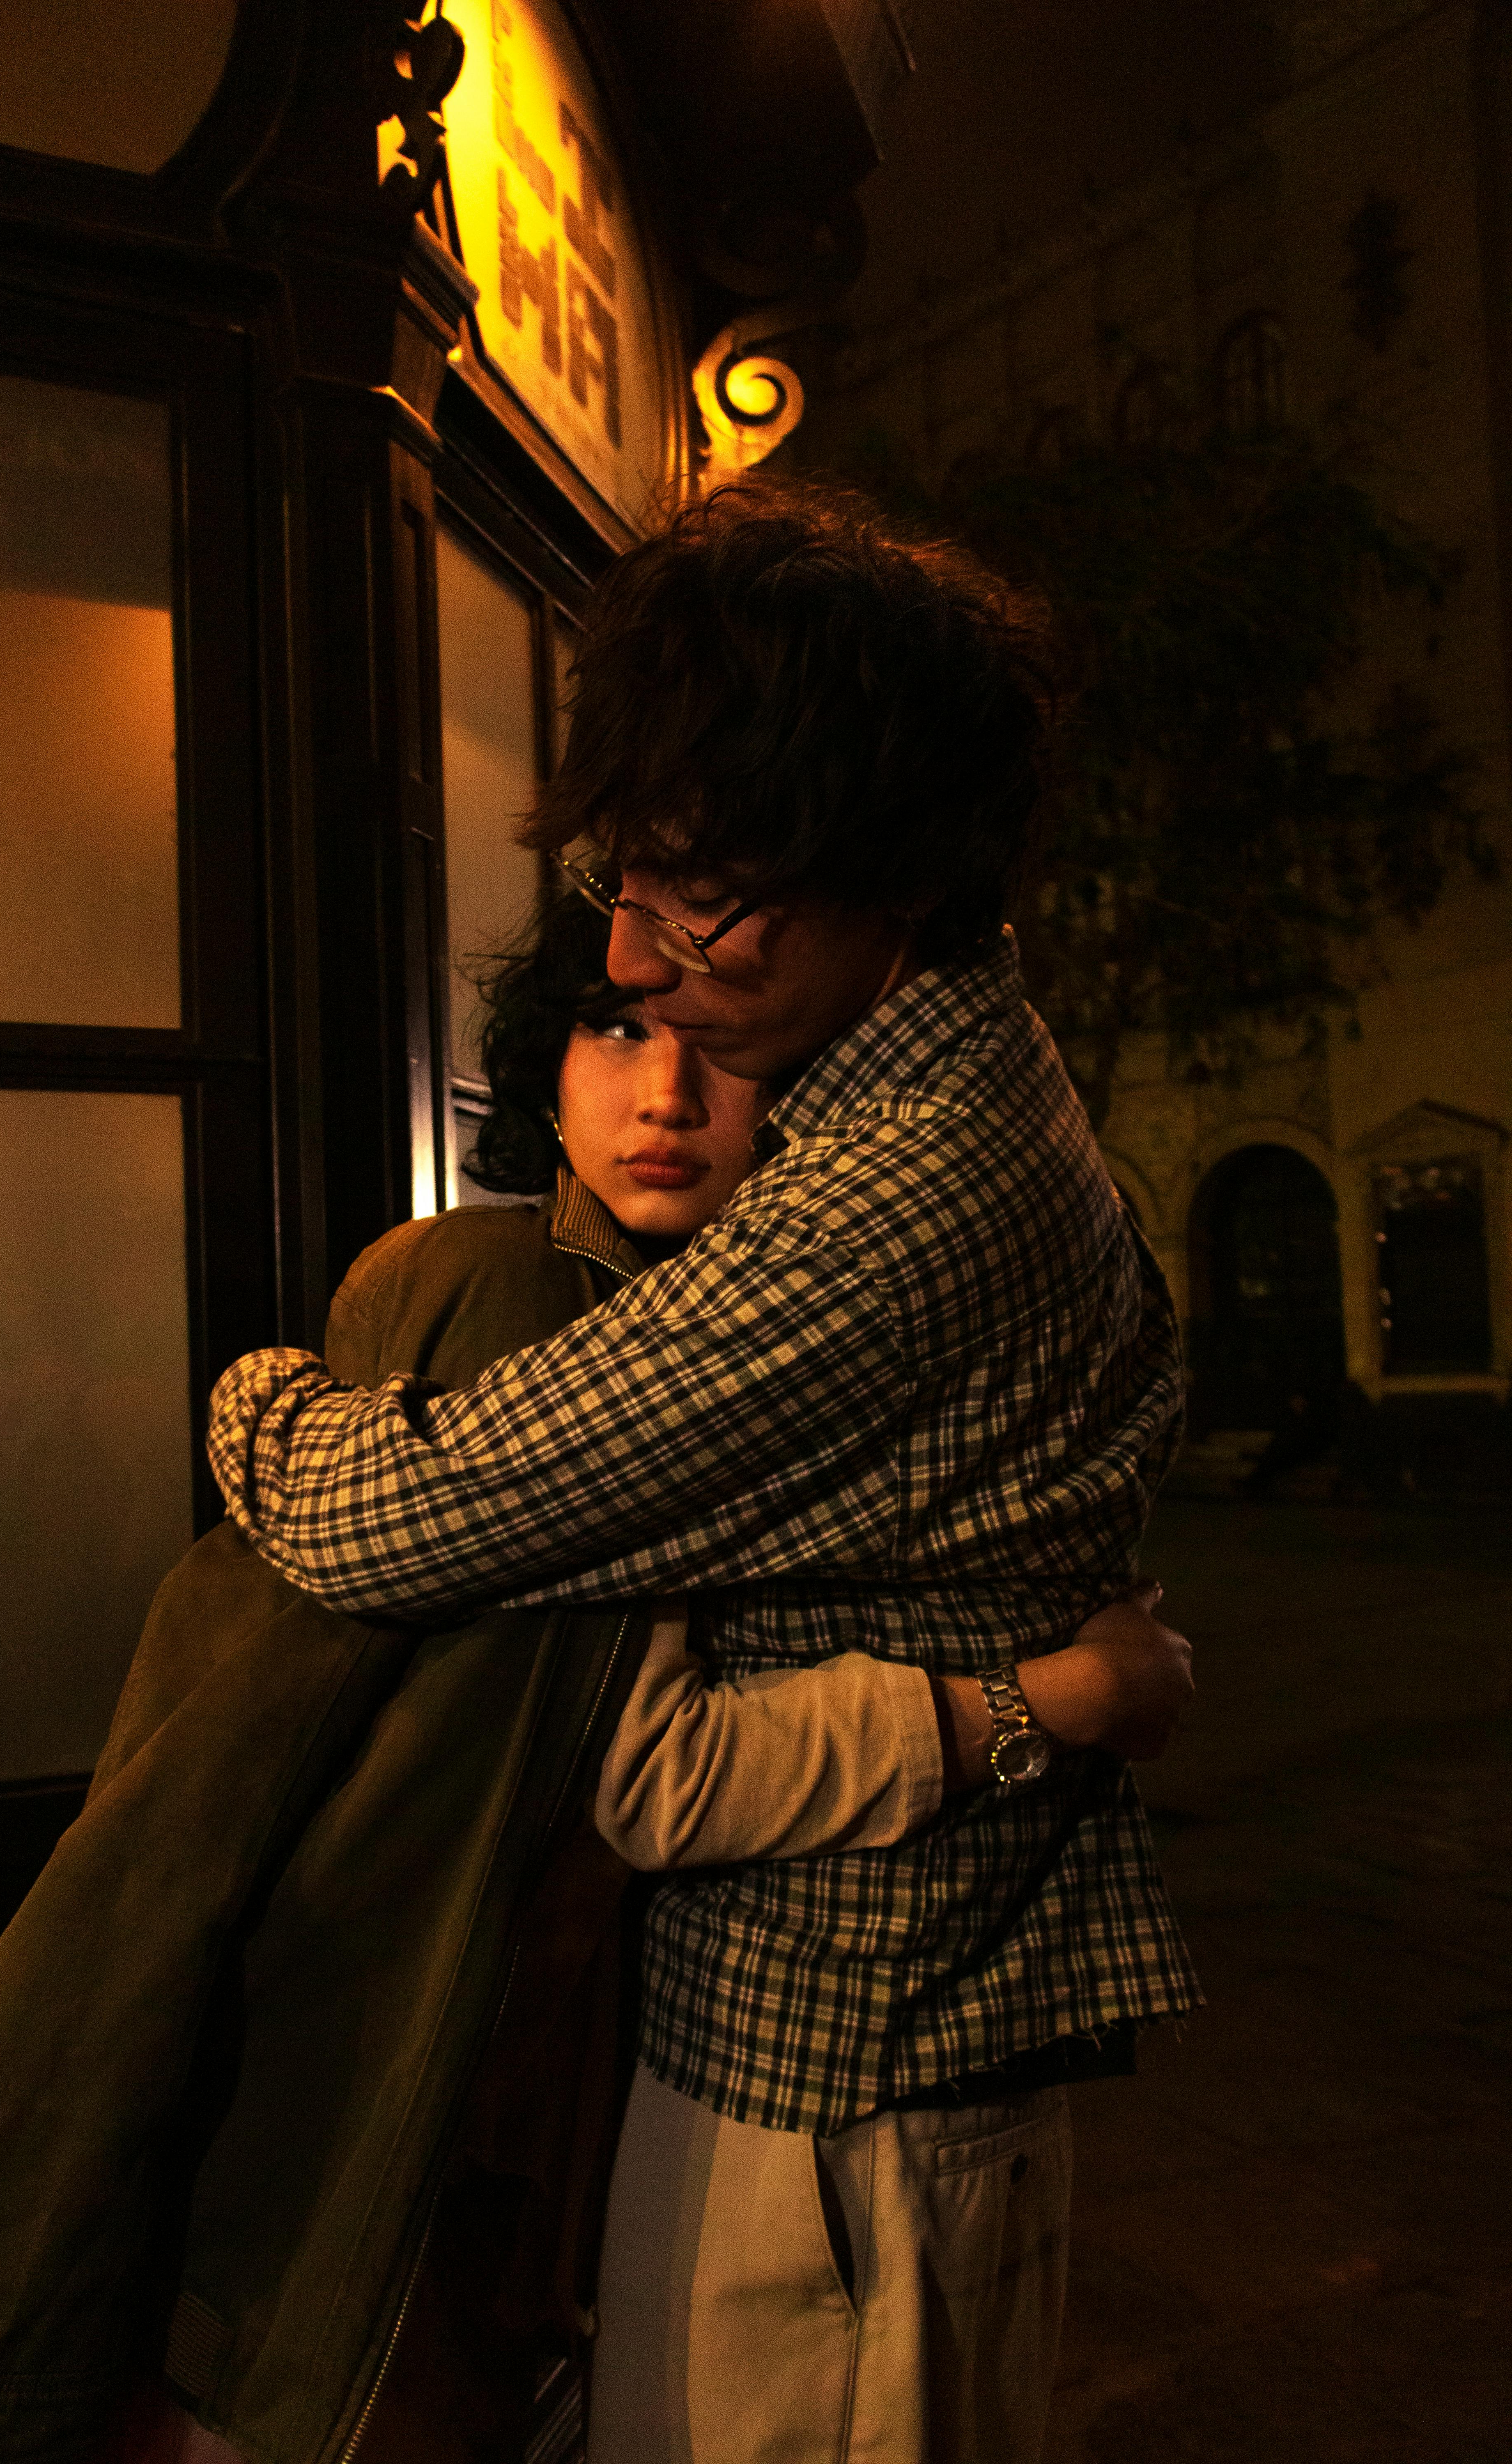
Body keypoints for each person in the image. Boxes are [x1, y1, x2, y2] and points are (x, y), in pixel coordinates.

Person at [0, 888, 1189, 2464]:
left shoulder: (712, 1315)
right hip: (389, 2096)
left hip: (521, 2106)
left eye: (714, 1047)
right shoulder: (509, 1297)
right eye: (614, 1030)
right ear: (538, 1065)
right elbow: (645, 1772)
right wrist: (1047, 1706)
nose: (665, 1094)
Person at [201, 483, 1203, 2464]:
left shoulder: (895, 1195)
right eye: (623, 891)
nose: (646, 969)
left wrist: (247, 1394)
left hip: (846, 2094)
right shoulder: (897, 1079)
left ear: (894, 871)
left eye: (707, 898)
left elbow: (393, 1517)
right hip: (817, 2054)